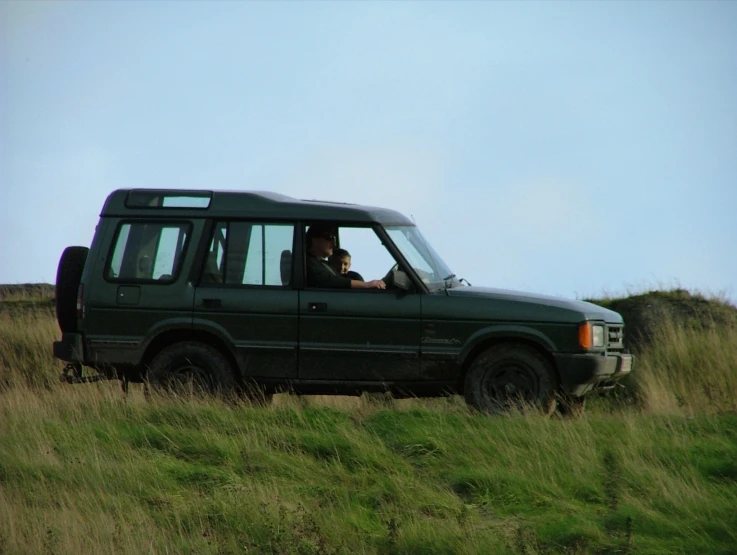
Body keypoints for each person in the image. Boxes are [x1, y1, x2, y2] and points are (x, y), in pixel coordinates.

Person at [306, 224, 385, 289]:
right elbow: (328, 280)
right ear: (315, 240)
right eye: (329, 238)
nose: (334, 243)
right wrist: (366, 285)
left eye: (334, 238)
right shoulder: (308, 263)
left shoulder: (322, 263)